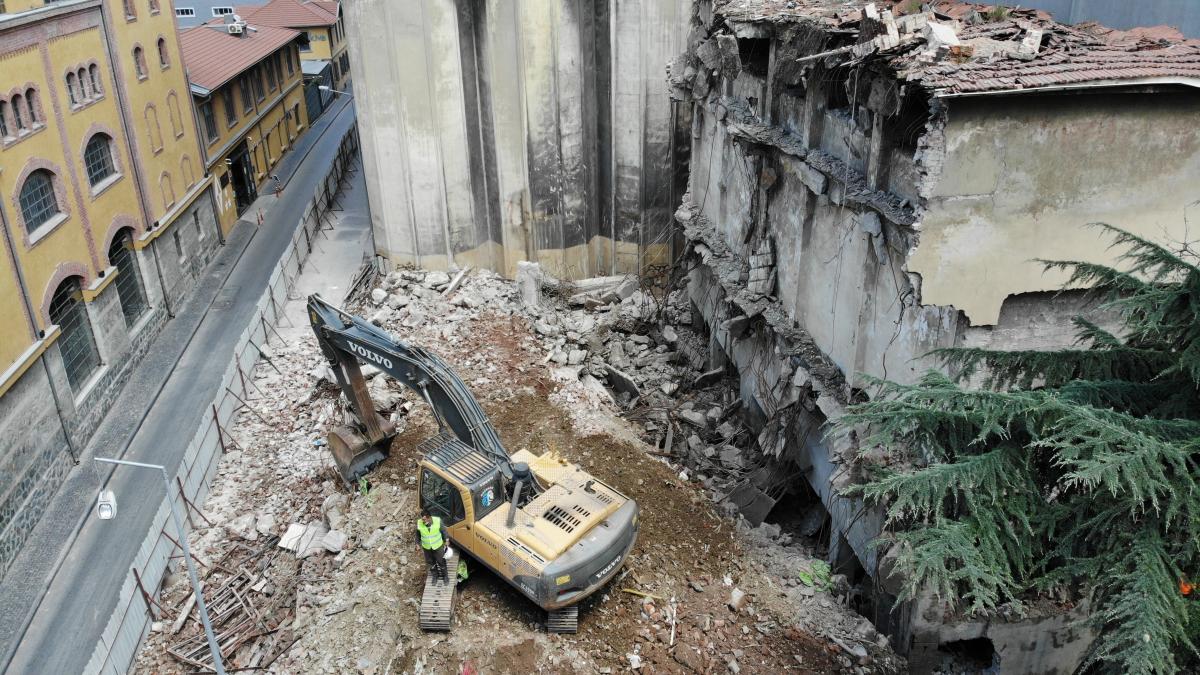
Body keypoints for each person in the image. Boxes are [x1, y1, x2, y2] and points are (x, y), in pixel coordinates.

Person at [417, 507, 450, 584]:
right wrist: (417, 544)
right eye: (422, 519)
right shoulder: (419, 523)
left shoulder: (438, 521)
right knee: (431, 563)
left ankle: (445, 576)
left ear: (429, 518)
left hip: (438, 546)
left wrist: (447, 540)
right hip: (427, 548)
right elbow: (417, 535)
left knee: (441, 561)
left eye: (425, 519)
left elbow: (444, 531)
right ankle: (435, 576)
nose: (423, 521)